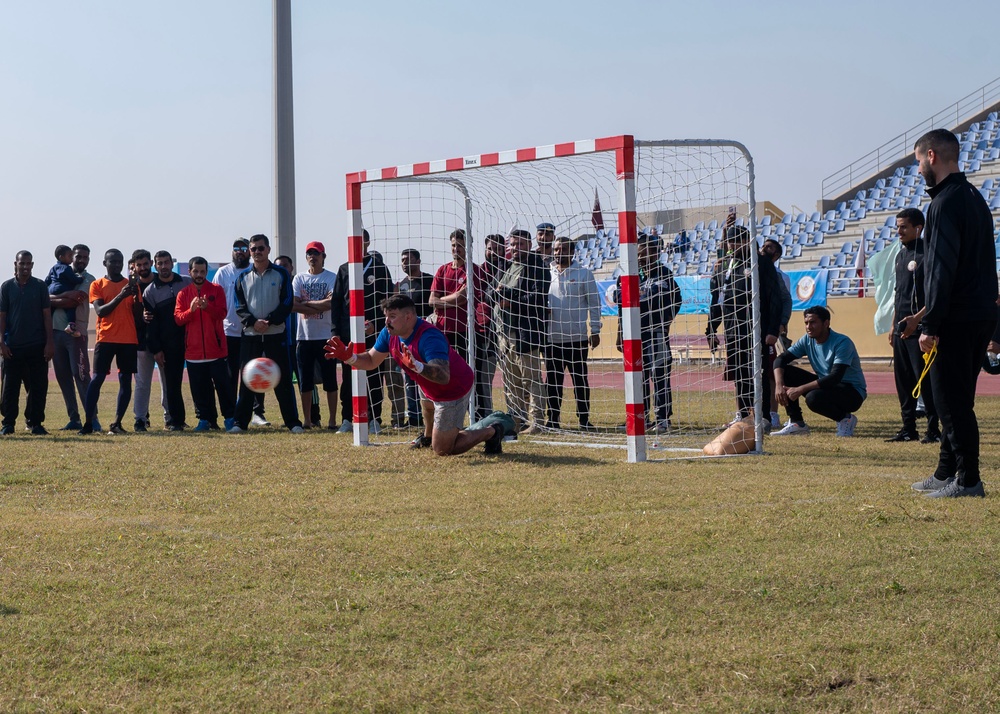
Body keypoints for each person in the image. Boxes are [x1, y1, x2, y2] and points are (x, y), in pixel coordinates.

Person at [910, 129, 997, 498]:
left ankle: (968, 479)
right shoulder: (974, 197)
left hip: (958, 318)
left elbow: (941, 270)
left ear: (932, 156)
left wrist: (929, 323)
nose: (917, 171)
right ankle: (947, 471)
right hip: (978, 315)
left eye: (917, 162)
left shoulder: (944, 203)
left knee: (950, 401)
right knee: (957, 397)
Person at [324, 293, 514, 456]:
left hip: (453, 389)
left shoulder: (429, 337)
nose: (387, 321)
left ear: (408, 317)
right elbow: (372, 360)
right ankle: (428, 435)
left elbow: (444, 376)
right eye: (386, 316)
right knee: (427, 404)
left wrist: (418, 368)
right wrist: (350, 358)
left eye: (392, 316)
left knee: (441, 449)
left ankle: (492, 431)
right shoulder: (389, 333)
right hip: (428, 383)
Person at [706, 223, 784, 425]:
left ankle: (764, 416)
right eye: (730, 241)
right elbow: (717, 299)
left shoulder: (761, 264)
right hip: (733, 329)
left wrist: (773, 329)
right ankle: (743, 415)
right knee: (739, 373)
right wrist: (711, 329)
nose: (732, 245)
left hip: (757, 329)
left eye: (737, 241)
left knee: (759, 372)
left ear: (747, 241)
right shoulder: (725, 266)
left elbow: (775, 298)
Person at [229, 234, 303, 433]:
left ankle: (293, 423)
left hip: (275, 335)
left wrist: (269, 321)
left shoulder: (281, 274)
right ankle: (239, 423)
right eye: (253, 249)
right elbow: (239, 306)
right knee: (246, 380)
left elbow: (287, 302)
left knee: (283, 379)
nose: (257, 252)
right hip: (251, 336)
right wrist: (254, 323)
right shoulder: (242, 278)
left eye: (261, 248)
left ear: (268, 250)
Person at [614, 232, 681, 433]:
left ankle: (662, 419)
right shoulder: (625, 275)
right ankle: (639, 418)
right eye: (639, 254)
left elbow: (674, 300)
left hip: (656, 334)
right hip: (633, 336)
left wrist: (666, 321)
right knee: (637, 377)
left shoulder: (664, 273)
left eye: (645, 253)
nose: (642, 258)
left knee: (659, 375)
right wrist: (620, 333)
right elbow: (620, 305)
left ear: (654, 253)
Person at [330, 228, 395, 433]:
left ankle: (375, 418)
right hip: (349, 333)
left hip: (373, 332)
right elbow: (337, 302)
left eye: (361, 240)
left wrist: (377, 324)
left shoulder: (380, 268)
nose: (357, 244)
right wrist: (336, 331)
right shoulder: (343, 269)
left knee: (375, 374)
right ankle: (347, 418)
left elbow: (387, 301)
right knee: (349, 375)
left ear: (367, 243)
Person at [886, 207, 940, 444]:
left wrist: (917, 319)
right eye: (897, 226)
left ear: (918, 228)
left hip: (920, 329)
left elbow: (936, 295)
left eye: (904, 226)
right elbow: (900, 293)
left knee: (925, 381)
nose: (899, 231)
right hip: (901, 329)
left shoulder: (928, 254)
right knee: (903, 380)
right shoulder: (900, 256)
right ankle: (908, 429)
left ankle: (933, 430)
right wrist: (892, 326)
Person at [772, 306, 866, 436]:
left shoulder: (842, 342)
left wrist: (800, 389)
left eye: (813, 322)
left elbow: (835, 377)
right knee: (785, 372)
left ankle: (845, 419)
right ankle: (797, 423)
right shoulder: (807, 340)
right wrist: (778, 385)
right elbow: (780, 360)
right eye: (806, 323)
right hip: (828, 386)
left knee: (813, 398)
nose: (809, 327)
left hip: (851, 392)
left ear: (826, 323)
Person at [496, 228, 550, 434]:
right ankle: (516, 421)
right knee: (511, 382)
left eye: (520, 244)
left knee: (531, 379)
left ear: (529, 244)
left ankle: (537, 422)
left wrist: (511, 302)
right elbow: (492, 290)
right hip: (505, 335)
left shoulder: (537, 266)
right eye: (513, 245)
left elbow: (537, 298)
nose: (516, 248)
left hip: (525, 333)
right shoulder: (508, 267)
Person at [79, 249, 139, 435]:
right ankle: (88, 423)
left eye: (119, 261)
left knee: (125, 382)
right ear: (105, 263)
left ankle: (117, 423)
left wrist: (136, 296)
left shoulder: (131, 285)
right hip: (106, 338)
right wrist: (121, 295)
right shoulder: (97, 284)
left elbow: (138, 315)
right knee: (97, 379)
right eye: (112, 261)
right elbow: (100, 311)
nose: (117, 265)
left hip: (128, 339)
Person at [174, 256, 236, 432]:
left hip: (216, 350)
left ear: (206, 272)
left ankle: (230, 418)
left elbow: (222, 313)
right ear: (190, 272)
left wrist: (207, 307)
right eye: (196, 271)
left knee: (224, 387)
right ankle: (205, 420)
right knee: (199, 390)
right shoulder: (183, 294)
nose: (199, 275)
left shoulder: (216, 289)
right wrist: (191, 310)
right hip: (193, 353)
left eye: (202, 271)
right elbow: (178, 319)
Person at [547, 235, 602, 431]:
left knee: (580, 381)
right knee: (553, 382)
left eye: (561, 249)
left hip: (577, 338)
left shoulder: (584, 274)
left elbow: (594, 304)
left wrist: (595, 330)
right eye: (555, 249)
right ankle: (552, 420)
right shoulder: (547, 273)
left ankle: (584, 420)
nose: (557, 253)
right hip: (552, 339)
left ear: (571, 252)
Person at [214, 237, 269, 426]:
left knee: (254, 374)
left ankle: (257, 413)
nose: (240, 251)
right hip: (229, 332)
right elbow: (215, 302)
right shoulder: (223, 273)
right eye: (236, 248)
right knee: (230, 377)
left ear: (249, 251)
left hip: (252, 331)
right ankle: (232, 415)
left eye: (243, 248)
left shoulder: (254, 271)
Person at [0, 251, 54, 435]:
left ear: (32, 265)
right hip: (13, 346)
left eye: (28, 263)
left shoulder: (39, 286)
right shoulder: (6, 287)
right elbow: (2, 317)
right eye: (21, 263)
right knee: (10, 388)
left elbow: (47, 315)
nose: (25, 267)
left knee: (39, 386)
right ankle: (8, 423)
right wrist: (2, 343)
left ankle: (36, 422)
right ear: (15, 263)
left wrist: (49, 343)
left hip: (37, 345)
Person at [48, 244, 99, 431]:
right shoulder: (59, 273)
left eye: (86, 257)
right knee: (63, 376)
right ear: (71, 257)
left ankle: (92, 419)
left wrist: (52, 297)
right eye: (79, 257)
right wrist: (59, 296)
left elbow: (74, 300)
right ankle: (74, 418)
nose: (82, 260)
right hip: (55, 332)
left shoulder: (88, 279)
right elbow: (45, 294)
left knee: (81, 374)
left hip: (76, 333)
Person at [143, 250, 191, 431]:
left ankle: (207, 419)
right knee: (172, 385)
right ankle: (175, 421)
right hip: (168, 345)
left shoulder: (186, 282)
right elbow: (151, 324)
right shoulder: (150, 292)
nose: (163, 266)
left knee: (199, 382)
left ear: (172, 263)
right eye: (160, 263)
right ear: (156, 266)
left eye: (166, 262)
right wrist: (156, 349)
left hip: (191, 342)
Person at [291, 241, 338, 429]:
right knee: (305, 381)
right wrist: (319, 302)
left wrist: (307, 302)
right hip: (304, 337)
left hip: (325, 335)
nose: (313, 257)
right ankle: (308, 420)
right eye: (309, 253)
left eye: (316, 253)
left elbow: (331, 303)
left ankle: (332, 420)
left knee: (330, 380)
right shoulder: (299, 279)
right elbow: (294, 305)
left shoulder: (331, 277)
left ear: (323, 256)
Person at [395, 248, 434, 427]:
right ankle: (414, 417)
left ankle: (432, 416)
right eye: (402, 260)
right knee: (409, 378)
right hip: (407, 340)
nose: (405, 263)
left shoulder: (429, 281)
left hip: (425, 337)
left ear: (418, 261)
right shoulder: (401, 285)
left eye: (408, 259)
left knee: (426, 376)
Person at [472, 234, 509, 421]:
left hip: (509, 332)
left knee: (513, 377)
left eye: (498, 248)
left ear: (504, 250)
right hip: (483, 333)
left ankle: (519, 417)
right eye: (490, 248)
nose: (494, 252)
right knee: (483, 378)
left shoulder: (509, 270)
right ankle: (484, 415)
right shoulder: (477, 272)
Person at [760, 237, 794, 428]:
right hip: (757, 329)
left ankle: (773, 413)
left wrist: (781, 324)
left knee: (773, 372)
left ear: (777, 254)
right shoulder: (756, 271)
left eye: (769, 246)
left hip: (772, 330)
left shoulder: (781, 275)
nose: (764, 248)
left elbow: (784, 301)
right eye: (764, 245)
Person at [129, 249, 163, 432]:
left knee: (166, 382)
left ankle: (170, 418)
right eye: (139, 265)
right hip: (140, 342)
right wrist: (139, 314)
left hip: (163, 342)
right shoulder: (132, 286)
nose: (142, 268)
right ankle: (140, 419)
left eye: (145, 264)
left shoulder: (162, 281)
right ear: (134, 266)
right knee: (142, 383)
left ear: (151, 262)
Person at [429, 229, 475, 360]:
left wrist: (441, 300)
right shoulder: (442, 270)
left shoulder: (473, 270)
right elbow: (431, 301)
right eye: (454, 245)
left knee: (466, 370)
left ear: (467, 247)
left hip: (465, 330)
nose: (456, 249)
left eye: (460, 245)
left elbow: (461, 298)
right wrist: (452, 299)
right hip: (442, 329)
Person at [44, 244, 84, 338]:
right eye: (70, 256)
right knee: (70, 307)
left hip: (52, 289)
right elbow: (73, 279)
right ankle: (71, 325)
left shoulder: (53, 268)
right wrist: (80, 279)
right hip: (63, 288)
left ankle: (46, 327)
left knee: (51, 309)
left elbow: (47, 281)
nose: (71, 258)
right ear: (61, 257)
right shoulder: (67, 268)